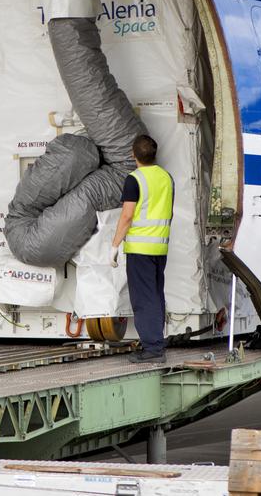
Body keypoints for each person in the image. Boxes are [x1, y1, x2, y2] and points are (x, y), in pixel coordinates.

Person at [112, 134, 174, 363]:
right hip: (160, 248)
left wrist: (114, 245)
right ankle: (156, 342)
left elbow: (127, 216)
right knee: (155, 296)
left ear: (133, 154)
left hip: (140, 248)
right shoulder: (167, 178)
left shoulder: (134, 179)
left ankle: (153, 349)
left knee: (143, 299)